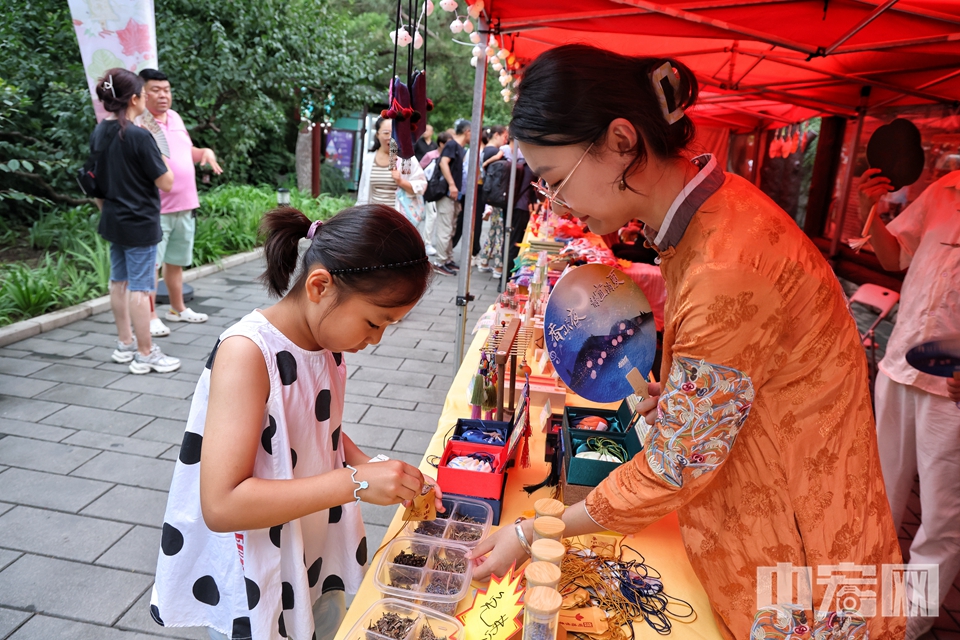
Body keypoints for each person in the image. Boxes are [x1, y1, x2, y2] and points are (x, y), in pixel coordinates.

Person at [466, 45, 905, 639]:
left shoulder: (727, 265)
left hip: (806, 576)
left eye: (554, 180)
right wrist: (683, 397)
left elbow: (677, 465)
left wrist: (529, 532)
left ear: (622, 140)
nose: (556, 204)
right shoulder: (708, 220)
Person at [151, 204, 442, 640]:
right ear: (320, 285)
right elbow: (222, 503)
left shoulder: (325, 343)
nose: (376, 339)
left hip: (313, 552)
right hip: (261, 570)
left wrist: (370, 464)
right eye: (373, 322)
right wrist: (356, 483)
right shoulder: (248, 354)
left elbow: (312, 428)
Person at [859, 166, 960, 640]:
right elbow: (893, 257)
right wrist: (869, 212)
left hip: (954, 387)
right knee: (880, 493)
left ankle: (910, 623)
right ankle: (863, 596)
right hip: (901, 364)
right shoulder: (946, 188)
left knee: (942, 512)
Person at [91, 68, 181, 375]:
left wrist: (106, 209)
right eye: (143, 94)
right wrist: (159, 145)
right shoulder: (141, 136)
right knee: (141, 288)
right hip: (140, 222)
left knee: (119, 282)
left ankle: (125, 344)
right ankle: (146, 353)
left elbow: (95, 182)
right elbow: (167, 182)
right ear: (133, 98)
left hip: (113, 219)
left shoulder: (100, 131)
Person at [138, 68, 223, 337]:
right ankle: (149, 316)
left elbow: (187, 152)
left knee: (175, 262)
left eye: (166, 90)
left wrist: (205, 153)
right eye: (156, 90)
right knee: (151, 266)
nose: (163, 95)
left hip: (185, 205)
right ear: (142, 93)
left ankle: (177, 308)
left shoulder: (174, 118)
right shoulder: (139, 123)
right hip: (156, 208)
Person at [357, 117, 428, 231]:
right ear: (377, 134)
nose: (390, 137)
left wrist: (401, 182)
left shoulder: (405, 160)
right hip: (373, 219)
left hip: (398, 220)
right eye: (386, 133)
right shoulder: (369, 159)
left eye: (394, 133)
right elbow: (363, 191)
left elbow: (421, 186)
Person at [431, 119, 470, 276]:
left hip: (454, 196)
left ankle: (447, 259)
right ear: (468, 132)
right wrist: (452, 185)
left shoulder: (459, 148)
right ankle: (440, 261)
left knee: (451, 227)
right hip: (447, 193)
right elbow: (443, 163)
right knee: (445, 228)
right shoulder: (452, 144)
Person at [477, 125, 509, 275]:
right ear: (497, 135)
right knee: (500, 232)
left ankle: (484, 261)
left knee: (494, 230)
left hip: (492, 197)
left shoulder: (487, 150)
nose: (506, 140)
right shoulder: (495, 152)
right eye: (504, 136)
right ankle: (498, 266)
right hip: (498, 198)